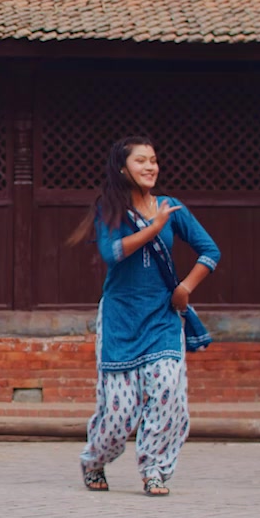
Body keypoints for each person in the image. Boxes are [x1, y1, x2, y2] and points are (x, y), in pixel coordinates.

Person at [67, 134, 220, 497]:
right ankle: (95, 459)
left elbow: (210, 251)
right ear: (123, 168)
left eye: (153, 160)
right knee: (119, 412)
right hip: (120, 318)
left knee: (167, 391)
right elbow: (112, 253)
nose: (150, 166)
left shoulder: (171, 207)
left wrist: (185, 288)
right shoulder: (109, 209)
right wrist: (153, 227)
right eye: (141, 161)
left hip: (163, 317)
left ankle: (155, 469)